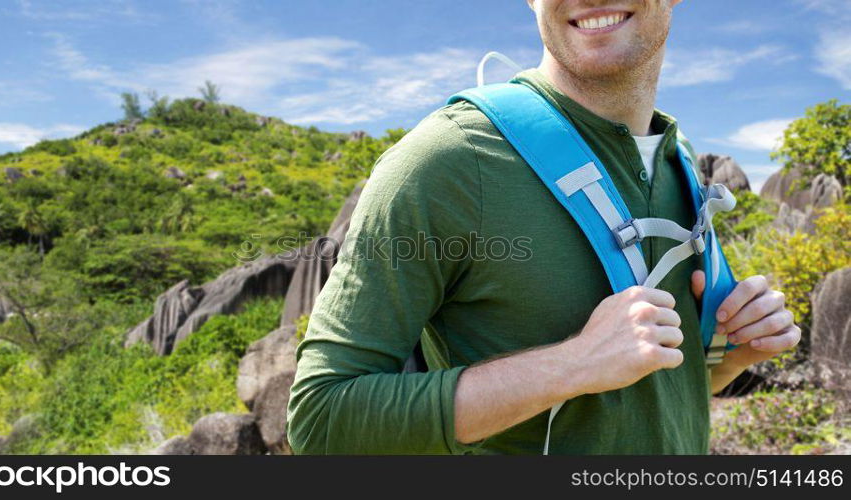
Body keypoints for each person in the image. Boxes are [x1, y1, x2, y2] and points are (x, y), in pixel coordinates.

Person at [286, 0, 800, 454]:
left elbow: (642, 398)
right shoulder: (449, 161)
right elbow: (320, 419)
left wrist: (732, 357)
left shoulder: (678, 162)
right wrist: (572, 364)